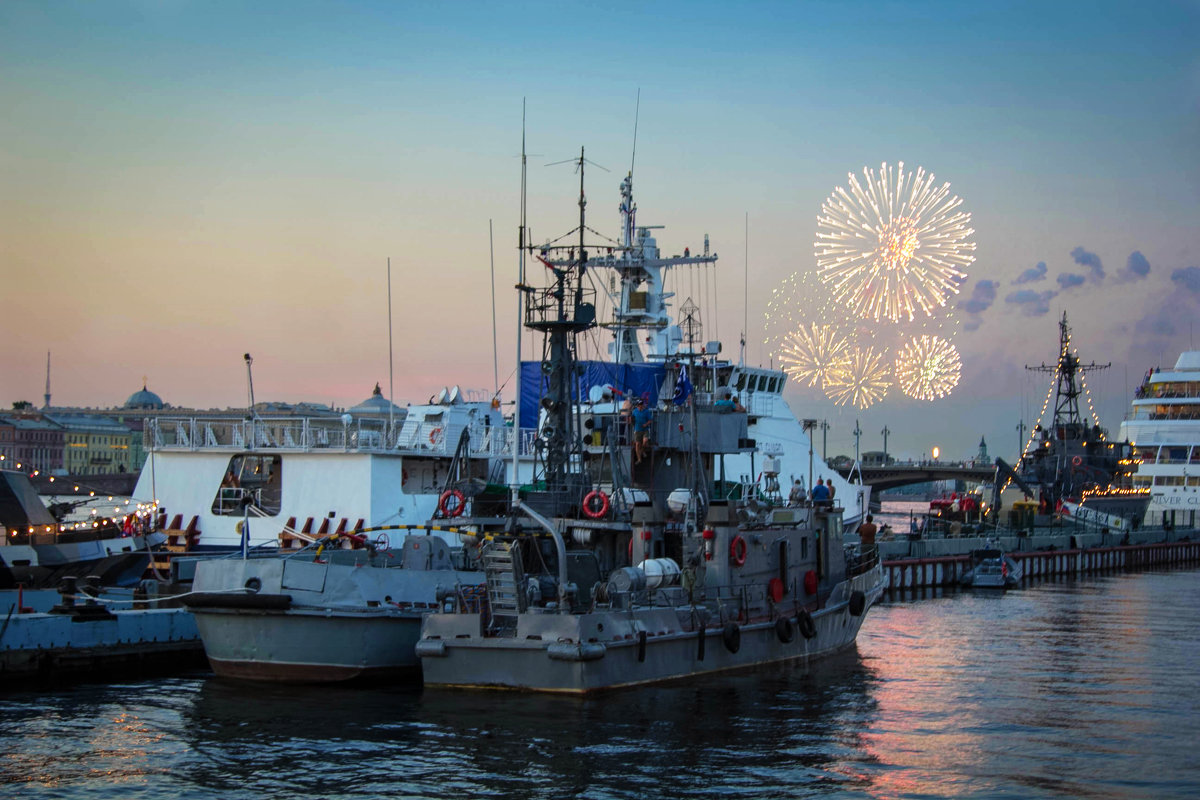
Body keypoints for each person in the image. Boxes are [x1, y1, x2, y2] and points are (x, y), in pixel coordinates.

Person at [631, 397, 654, 463]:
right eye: (639, 404)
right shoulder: (634, 411)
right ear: (637, 405)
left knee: (645, 441)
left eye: (641, 404)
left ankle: (642, 450)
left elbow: (650, 420)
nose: (640, 406)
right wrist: (631, 421)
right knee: (637, 444)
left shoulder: (646, 411)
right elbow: (632, 419)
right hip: (637, 430)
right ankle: (639, 459)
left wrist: (646, 424)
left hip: (645, 429)